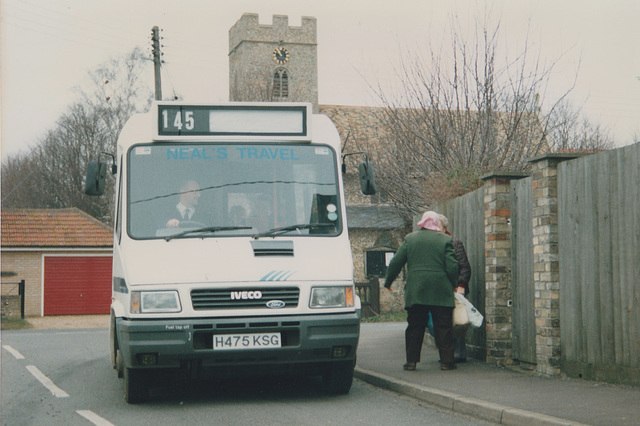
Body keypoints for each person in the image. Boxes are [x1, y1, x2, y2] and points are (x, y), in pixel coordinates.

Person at [384, 211, 459, 371]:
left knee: (415, 326)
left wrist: (388, 281)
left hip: (417, 290)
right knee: (443, 326)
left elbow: (396, 262)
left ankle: (411, 361)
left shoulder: (410, 239)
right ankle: (447, 362)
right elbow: (452, 266)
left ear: (422, 222)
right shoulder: (445, 240)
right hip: (440, 290)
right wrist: (454, 283)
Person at [439, 214, 472, 363]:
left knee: (458, 321)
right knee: (443, 323)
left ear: (445, 227)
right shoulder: (433, 244)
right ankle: (447, 354)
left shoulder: (455, 243)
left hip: (455, 290)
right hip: (440, 290)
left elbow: (464, 267)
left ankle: (459, 353)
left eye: (438, 226)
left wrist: (461, 286)